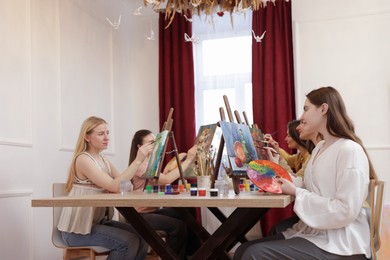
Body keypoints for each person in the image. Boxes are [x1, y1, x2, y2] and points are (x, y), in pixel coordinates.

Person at [234, 86, 377, 259]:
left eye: (306, 109)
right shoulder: (320, 149)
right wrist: (277, 169)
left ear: (323, 109)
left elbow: (345, 211)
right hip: (318, 234)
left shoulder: (349, 150)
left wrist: (295, 191)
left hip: (342, 243)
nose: (301, 117)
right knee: (243, 250)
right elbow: (306, 185)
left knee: (252, 254)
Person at [57, 116, 150, 260]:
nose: (107, 137)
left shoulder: (104, 160)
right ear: (87, 137)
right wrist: (138, 160)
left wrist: (120, 185)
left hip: (97, 223)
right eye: (101, 134)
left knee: (144, 236)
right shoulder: (83, 159)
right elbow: (115, 185)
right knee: (127, 242)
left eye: (107, 133)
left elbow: (126, 186)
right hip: (76, 230)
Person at [129, 129, 201, 259]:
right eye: (151, 143)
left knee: (187, 210)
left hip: (152, 210)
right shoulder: (140, 166)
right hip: (139, 215)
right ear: (139, 147)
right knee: (178, 226)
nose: (156, 145)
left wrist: (167, 172)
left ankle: (194, 254)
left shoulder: (151, 165)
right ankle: (173, 257)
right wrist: (189, 159)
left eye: (156, 142)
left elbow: (162, 181)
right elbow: (167, 180)